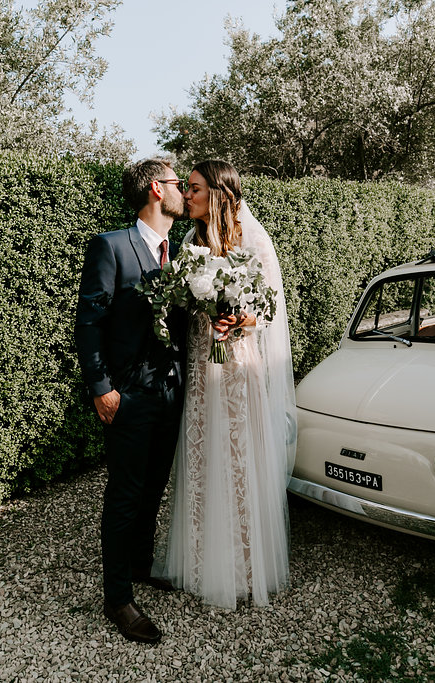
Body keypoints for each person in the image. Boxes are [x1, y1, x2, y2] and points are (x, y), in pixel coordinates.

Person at [159, 160, 296, 609]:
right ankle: (200, 562)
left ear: (218, 192)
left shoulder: (254, 240)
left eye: (194, 188)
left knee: (237, 458)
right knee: (202, 455)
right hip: (202, 364)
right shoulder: (189, 242)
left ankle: (241, 566)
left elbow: (270, 311)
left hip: (237, 366)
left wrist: (240, 319)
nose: (188, 195)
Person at [74, 158, 188, 644]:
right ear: (156, 191)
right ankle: (117, 598)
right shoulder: (110, 247)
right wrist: (101, 388)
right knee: (124, 495)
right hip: (128, 395)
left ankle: (140, 566)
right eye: (178, 183)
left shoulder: (180, 253)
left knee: (154, 487)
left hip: (170, 391)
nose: (184, 190)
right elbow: (89, 322)